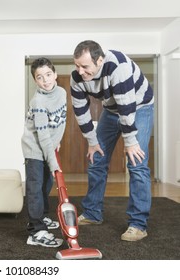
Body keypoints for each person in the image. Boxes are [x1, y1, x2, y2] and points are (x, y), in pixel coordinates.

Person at [70, 40, 154, 241]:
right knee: (97, 158)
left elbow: (127, 108)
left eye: (85, 66)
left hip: (139, 107)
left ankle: (138, 224)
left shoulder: (118, 66)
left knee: (137, 163)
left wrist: (131, 142)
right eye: (77, 66)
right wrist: (92, 142)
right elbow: (81, 112)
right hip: (111, 110)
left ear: (99, 60)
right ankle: (92, 213)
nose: (80, 71)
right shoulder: (77, 78)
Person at [21, 57, 67, 247]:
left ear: (55, 74)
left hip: (49, 146)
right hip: (34, 148)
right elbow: (42, 135)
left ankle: (41, 216)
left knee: (46, 185)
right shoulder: (38, 101)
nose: (46, 80)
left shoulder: (62, 93)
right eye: (40, 77)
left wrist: (58, 142)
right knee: (35, 189)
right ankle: (36, 230)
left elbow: (61, 121)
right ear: (35, 81)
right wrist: (53, 160)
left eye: (48, 75)